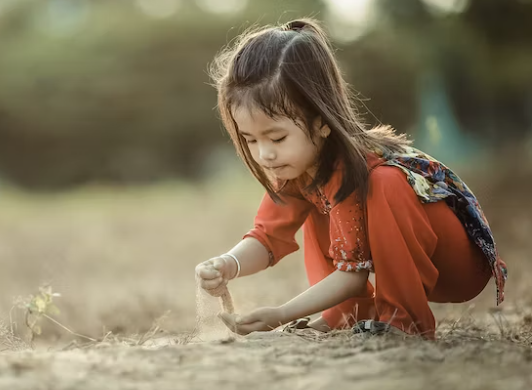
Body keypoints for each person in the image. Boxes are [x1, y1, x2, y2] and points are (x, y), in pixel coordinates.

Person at [194, 18, 507, 340]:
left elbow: (351, 277)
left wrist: (281, 313)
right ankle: (349, 315)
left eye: (276, 138)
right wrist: (228, 264)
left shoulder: (358, 168)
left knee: (385, 183)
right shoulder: (295, 168)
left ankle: (405, 322)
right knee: (318, 203)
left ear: (322, 122)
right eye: (250, 140)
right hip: (405, 263)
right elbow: (266, 237)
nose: (265, 155)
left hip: (456, 265)